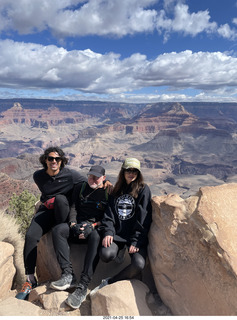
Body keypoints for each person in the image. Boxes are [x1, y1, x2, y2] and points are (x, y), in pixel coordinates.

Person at [15, 146, 110, 300]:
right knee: (31, 236)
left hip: (63, 214)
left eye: (57, 159)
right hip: (47, 212)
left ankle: (73, 274)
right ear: (45, 160)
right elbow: (45, 194)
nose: (54, 161)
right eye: (50, 158)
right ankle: (30, 280)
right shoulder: (38, 176)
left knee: (60, 200)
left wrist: (106, 183)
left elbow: (91, 181)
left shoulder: (71, 175)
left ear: (62, 161)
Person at [90, 157, 152, 295]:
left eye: (135, 171)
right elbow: (109, 214)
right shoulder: (117, 189)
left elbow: (144, 218)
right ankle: (119, 251)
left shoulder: (143, 190)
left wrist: (136, 241)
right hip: (118, 234)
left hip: (134, 236)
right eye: (128, 170)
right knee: (106, 255)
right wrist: (109, 232)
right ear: (123, 172)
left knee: (138, 265)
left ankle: (110, 282)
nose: (132, 173)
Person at [50, 165, 108, 309]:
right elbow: (74, 207)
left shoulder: (108, 192)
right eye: (90, 176)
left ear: (104, 178)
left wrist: (93, 226)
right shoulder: (81, 187)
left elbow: (108, 216)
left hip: (94, 228)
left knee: (96, 237)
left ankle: (83, 286)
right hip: (77, 226)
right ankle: (68, 275)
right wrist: (73, 224)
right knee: (58, 230)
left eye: (96, 177)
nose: (92, 179)